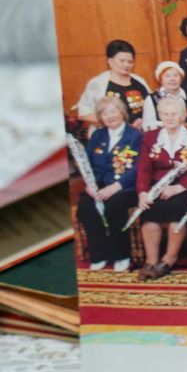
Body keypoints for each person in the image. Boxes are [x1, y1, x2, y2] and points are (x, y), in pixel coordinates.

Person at [133, 95, 187, 280]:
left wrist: (179, 187)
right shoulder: (151, 137)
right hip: (156, 186)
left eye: (174, 114)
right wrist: (143, 193)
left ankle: (169, 258)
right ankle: (151, 261)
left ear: (182, 115)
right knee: (149, 213)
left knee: (176, 213)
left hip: (184, 187)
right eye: (165, 114)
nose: (170, 117)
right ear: (160, 116)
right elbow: (143, 168)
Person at [79, 96, 141, 272]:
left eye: (113, 111)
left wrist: (116, 187)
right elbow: (87, 163)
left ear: (122, 112)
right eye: (104, 113)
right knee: (86, 207)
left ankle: (122, 255)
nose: (109, 116)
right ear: (100, 117)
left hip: (126, 187)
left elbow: (138, 168)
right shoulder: (97, 136)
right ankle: (99, 255)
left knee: (114, 206)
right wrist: (89, 184)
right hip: (98, 185)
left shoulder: (135, 136)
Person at [77, 40, 155, 130]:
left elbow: (152, 106)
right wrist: (120, 126)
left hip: (142, 133)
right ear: (110, 61)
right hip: (111, 134)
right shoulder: (98, 83)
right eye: (122, 61)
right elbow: (84, 114)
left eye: (130, 62)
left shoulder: (139, 80)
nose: (126, 65)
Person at [148, 61, 187, 129]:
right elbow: (147, 125)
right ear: (161, 80)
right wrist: (170, 123)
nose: (172, 79)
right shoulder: (152, 98)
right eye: (167, 76)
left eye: (176, 75)